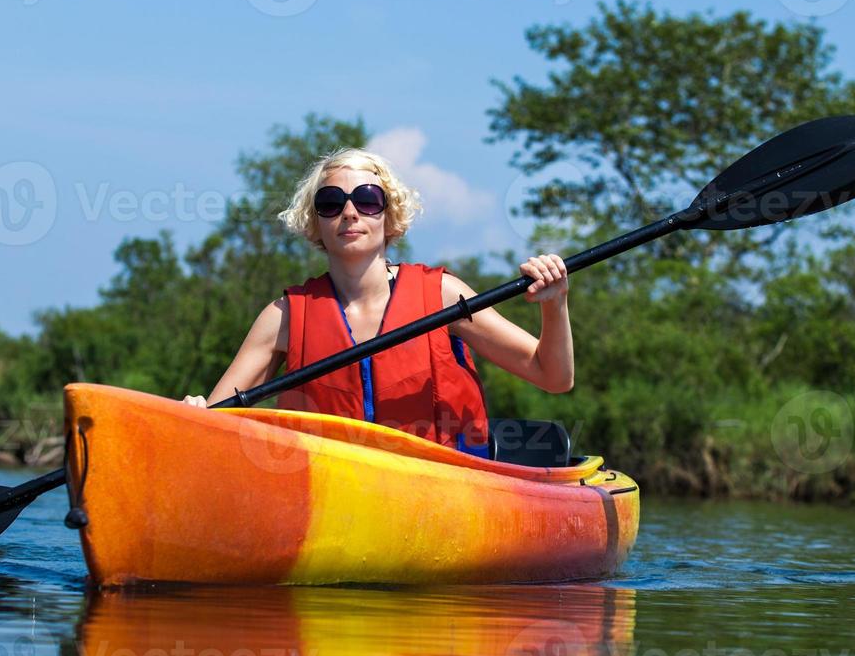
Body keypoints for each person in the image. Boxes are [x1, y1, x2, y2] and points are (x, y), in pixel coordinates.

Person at [184, 148, 572, 456]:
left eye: (368, 200)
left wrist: (553, 305)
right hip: (331, 495)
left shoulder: (443, 295)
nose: (350, 212)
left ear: (389, 215)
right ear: (315, 221)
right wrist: (194, 415)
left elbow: (553, 376)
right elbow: (212, 428)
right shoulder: (282, 317)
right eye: (331, 202)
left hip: (446, 489)